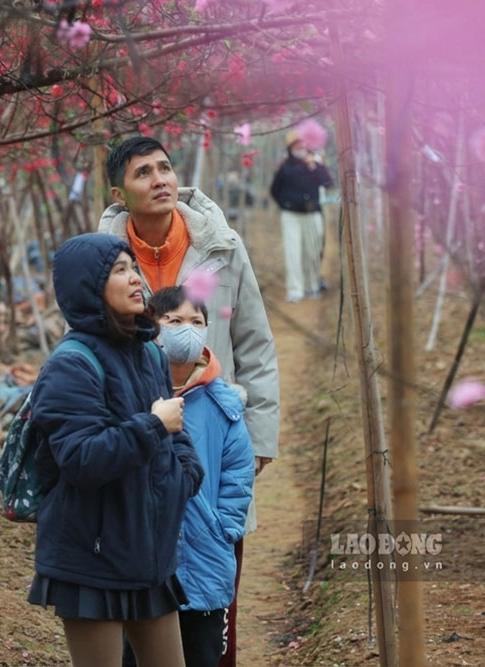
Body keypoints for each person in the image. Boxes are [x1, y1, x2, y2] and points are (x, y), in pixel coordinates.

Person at [100, 136, 280, 667]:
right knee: (137, 593)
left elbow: (254, 341)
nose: (159, 179)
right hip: (135, 440)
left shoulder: (220, 246)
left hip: (211, 437)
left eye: (165, 168)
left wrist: (260, 437)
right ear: (119, 192)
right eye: (142, 173)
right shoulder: (103, 258)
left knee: (212, 583)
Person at [27, 232, 204, 667]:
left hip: (148, 552)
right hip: (93, 555)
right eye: (118, 270)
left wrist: (184, 477)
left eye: (132, 268)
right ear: (88, 286)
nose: (134, 279)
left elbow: (175, 433)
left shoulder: (149, 354)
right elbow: (82, 459)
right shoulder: (70, 365)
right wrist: (152, 425)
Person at [151, 286, 254, 667]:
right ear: (152, 328)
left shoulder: (221, 404)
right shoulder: (136, 393)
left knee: (202, 651)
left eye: (196, 321)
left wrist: (221, 527)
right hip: (145, 556)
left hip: (205, 554)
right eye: (174, 321)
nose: (186, 330)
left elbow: (238, 474)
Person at [269, 130, 334, 302]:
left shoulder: (315, 164)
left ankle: (312, 285)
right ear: (291, 147)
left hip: (312, 214)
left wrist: (314, 166)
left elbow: (328, 183)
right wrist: (285, 203)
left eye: (304, 144)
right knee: (293, 252)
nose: (301, 147)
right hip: (291, 215)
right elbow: (275, 190)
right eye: (297, 144)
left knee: (312, 251)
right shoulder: (285, 167)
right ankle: (295, 289)